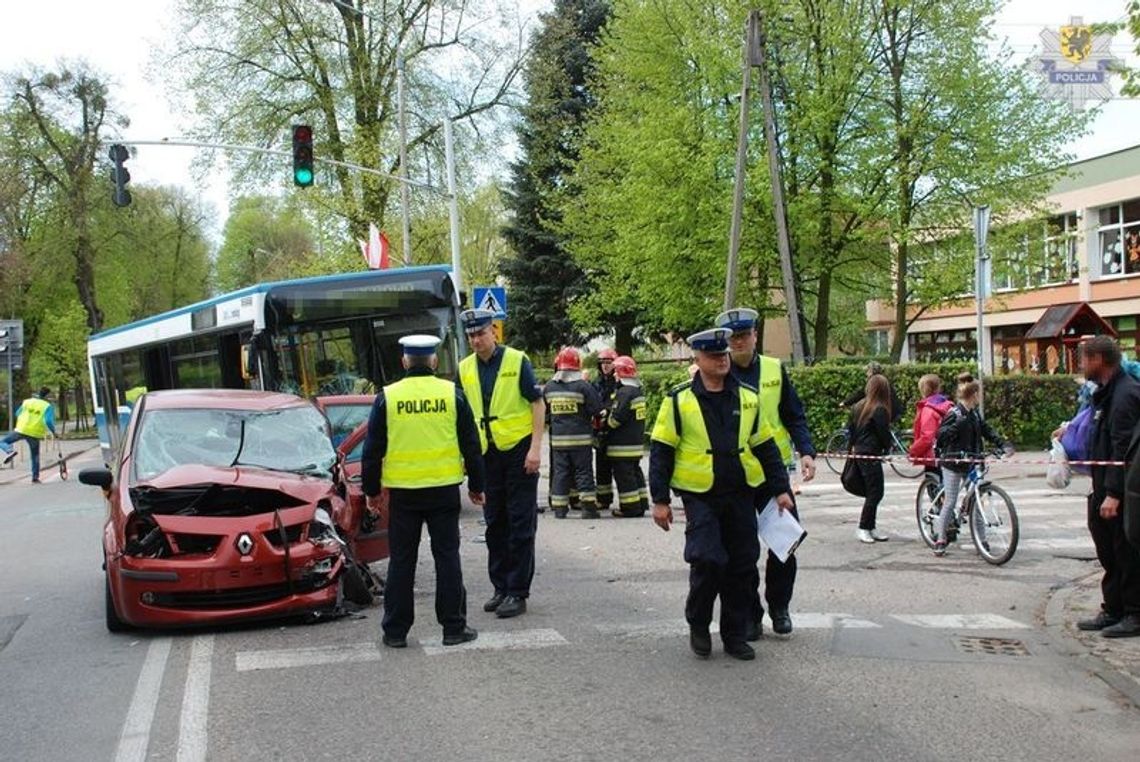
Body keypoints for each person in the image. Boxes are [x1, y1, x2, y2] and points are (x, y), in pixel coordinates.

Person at [649, 328, 793, 661]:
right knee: (708, 559)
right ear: (697, 360)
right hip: (700, 495)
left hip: (740, 492)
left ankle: (734, 634)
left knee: (742, 566)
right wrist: (660, 500)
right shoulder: (678, 399)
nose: (722, 360)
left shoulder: (747, 397)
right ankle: (698, 623)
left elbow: (765, 446)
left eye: (724, 355)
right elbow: (661, 450)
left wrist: (780, 489)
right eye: (714, 356)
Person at [359, 335, 484, 648]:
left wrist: (372, 491)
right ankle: (453, 628)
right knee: (447, 558)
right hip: (443, 491)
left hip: (403, 495)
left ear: (404, 362)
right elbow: (471, 444)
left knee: (402, 561)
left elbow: (372, 450)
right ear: (434, 361)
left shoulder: (388, 397)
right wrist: (478, 487)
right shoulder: (451, 395)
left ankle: (395, 632)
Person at [717, 307, 816, 639]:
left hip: (774, 477)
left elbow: (793, 414)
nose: (739, 342)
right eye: (733, 338)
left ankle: (779, 606)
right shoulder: (719, 372)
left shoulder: (774, 369)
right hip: (737, 477)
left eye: (745, 335)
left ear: (755, 336)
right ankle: (750, 614)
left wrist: (807, 452)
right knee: (743, 552)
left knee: (785, 545)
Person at [457, 309, 545, 619]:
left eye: (480, 334)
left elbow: (537, 402)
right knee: (495, 523)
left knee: (520, 523)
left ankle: (517, 591)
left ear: (493, 331)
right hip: (486, 454)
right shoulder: (464, 368)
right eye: (470, 336)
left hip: (518, 451)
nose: (475, 340)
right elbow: (463, 417)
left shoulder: (516, 360)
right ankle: (500, 587)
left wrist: (536, 448)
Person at [1077, 336, 1140, 637]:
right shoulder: (1105, 393)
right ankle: (1113, 608)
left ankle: (1134, 613)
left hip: (1122, 492)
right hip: (1103, 486)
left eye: (1084, 358)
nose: (1080, 364)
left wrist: (1114, 494)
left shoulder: (1126, 394)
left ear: (1098, 359)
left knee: (1124, 552)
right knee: (1108, 552)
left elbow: (1123, 448)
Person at [931, 374, 1011, 556]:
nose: (980, 397)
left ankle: (981, 541)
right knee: (950, 500)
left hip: (971, 462)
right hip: (953, 463)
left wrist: (1002, 444)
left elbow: (987, 430)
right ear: (973, 394)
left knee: (977, 498)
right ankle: (941, 538)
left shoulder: (974, 414)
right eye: (978, 394)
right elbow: (940, 436)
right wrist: (955, 427)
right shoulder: (955, 413)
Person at [544, 347, 602, 519]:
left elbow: (545, 413)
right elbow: (596, 409)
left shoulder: (549, 387)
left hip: (558, 441)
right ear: (577, 364)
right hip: (581, 441)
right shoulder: (583, 386)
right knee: (583, 472)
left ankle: (560, 509)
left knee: (561, 473)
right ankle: (588, 509)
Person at [603, 356, 649, 517]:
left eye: (616, 371)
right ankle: (642, 503)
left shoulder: (624, 393)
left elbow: (617, 419)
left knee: (624, 477)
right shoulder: (637, 391)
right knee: (635, 473)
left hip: (621, 445)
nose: (614, 375)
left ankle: (630, 508)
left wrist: (605, 424)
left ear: (621, 372)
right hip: (635, 443)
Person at [850, 375, 893, 544]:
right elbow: (883, 433)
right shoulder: (879, 409)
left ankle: (870, 526)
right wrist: (887, 448)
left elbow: (850, 429)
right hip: (871, 452)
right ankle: (863, 527)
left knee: (873, 491)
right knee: (875, 492)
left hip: (860, 451)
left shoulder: (858, 406)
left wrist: (853, 445)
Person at [1, 387, 57, 483]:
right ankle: (35, 477)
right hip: (34, 433)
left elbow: (17, 413)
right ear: (47, 396)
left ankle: (9, 450)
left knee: (3, 441)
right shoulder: (47, 406)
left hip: (21, 429)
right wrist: (53, 432)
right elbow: (48, 421)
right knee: (35, 455)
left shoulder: (27, 402)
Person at [909, 374, 953, 481]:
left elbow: (927, 437)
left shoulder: (928, 410)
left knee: (933, 488)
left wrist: (913, 450)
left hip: (933, 455)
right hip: (949, 452)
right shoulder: (948, 406)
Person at [592, 348, 620, 510]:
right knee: (601, 465)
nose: (605, 366)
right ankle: (603, 499)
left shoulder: (619, 383)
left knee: (622, 467)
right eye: (602, 363)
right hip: (599, 429)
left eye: (608, 363)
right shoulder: (597, 383)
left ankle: (633, 499)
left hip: (615, 430)